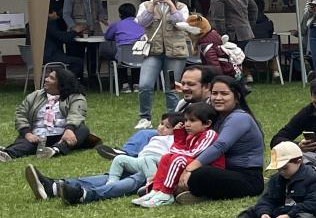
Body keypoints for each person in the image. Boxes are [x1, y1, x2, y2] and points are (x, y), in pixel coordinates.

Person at [35, 111, 181, 206]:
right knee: (114, 173)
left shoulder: (184, 135)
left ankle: (84, 195)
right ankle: (55, 187)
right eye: (161, 124)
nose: (161, 127)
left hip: (157, 170)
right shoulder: (165, 128)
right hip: (142, 160)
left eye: (191, 84)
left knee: (134, 180)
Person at [197, 141, 316, 218]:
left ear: (299, 161)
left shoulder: (313, 178)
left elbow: (314, 204)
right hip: (281, 211)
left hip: (304, 213)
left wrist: (288, 216)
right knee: (253, 209)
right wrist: (263, 213)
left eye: (285, 168)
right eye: (279, 169)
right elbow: (266, 199)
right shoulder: (276, 179)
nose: (281, 172)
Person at [177, 75, 266, 203]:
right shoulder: (215, 117)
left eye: (224, 94)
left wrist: (189, 168)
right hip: (224, 171)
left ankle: (193, 192)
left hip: (247, 177)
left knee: (199, 174)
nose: (218, 98)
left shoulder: (239, 118)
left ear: (236, 97)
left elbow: (220, 146)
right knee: (176, 161)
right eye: (214, 93)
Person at [133, 0, 196, 128]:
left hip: (175, 52)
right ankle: (145, 118)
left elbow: (182, 23)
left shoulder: (181, 6)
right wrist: (153, 5)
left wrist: (170, 4)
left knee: (171, 88)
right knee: (145, 85)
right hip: (153, 51)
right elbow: (141, 22)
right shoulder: (146, 5)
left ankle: (173, 118)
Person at [1, 63, 95, 162]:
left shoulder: (76, 97)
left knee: (83, 129)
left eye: (51, 78)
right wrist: (27, 133)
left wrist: (69, 130)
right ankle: (7, 153)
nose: (46, 79)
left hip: (62, 135)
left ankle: (55, 150)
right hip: (37, 136)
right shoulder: (35, 95)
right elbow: (21, 114)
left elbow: (76, 115)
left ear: (61, 83)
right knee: (26, 144)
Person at [135, 101, 218, 208]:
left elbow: (194, 153)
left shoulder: (210, 134)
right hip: (192, 166)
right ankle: (156, 190)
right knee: (166, 158)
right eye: (186, 120)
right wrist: (179, 134)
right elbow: (176, 149)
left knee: (178, 159)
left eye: (192, 121)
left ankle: (166, 193)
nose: (187, 124)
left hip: (208, 169)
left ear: (207, 123)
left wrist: (176, 151)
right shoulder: (191, 135)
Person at [62, 0, 106, 78]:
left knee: (93, 56)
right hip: (77, 33)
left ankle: (93, 77)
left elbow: (101, 11)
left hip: (94, 31)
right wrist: (74, 26)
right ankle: (78, 79)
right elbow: (66, 14)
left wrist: (102, 17)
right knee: (77, 57)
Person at [101, 2, 146, 92]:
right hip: (140, 55)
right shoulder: (142, 24)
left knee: (119, 59)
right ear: (135, 13)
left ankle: (125, 85)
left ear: (120, 14)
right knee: (136, 58)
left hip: (123, 56)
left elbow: (107, 37)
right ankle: (136, 84)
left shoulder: (116, 25)